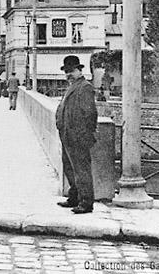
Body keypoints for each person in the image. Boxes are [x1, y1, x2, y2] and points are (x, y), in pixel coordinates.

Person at [55, 55, 97, 214]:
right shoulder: (72, 86)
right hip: (67, 135)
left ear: (80, 70)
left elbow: (90, 114)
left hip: (78, 137)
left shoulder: (84, 87)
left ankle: (86, 203)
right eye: (66, 72)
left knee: (81, 170)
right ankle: (74, 197)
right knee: (70, 169)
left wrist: (85, 135)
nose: (68, 75)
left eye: (71, 71)